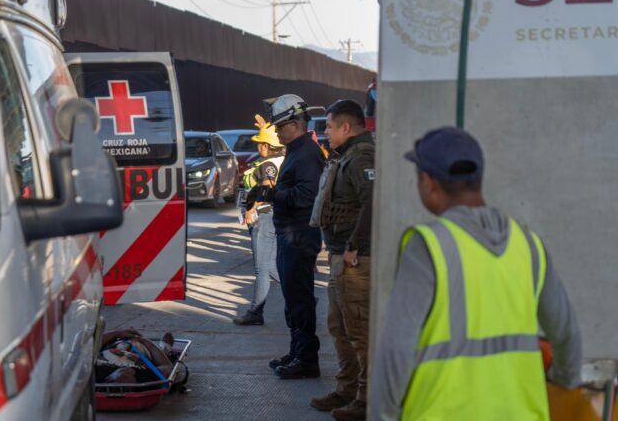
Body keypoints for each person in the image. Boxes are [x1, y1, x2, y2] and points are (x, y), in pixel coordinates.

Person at [370, 127, 582, 420]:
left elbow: (396, 350)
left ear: (429, 182)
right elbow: (566, 333)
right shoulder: (528, 244)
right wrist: (565, 378)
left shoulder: (429, 246)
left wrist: (383, 415)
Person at [248, 94, 324, 379]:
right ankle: (297, 352)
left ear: (295, 123)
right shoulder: (295, 150)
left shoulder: (307, 153)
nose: (276, 132)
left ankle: (307, 360)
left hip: (300, 236)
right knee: (293, 300)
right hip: (289, 234)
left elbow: (307, 196)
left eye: (280, 127)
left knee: (300, 300)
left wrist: (272, 194)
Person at [309, 100, 374, 421]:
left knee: (359, 330)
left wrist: (353, 246)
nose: (325, 133)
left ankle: (366, 399)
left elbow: (372, 201)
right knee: (339, 326)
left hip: (355, 260)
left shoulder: (361, 156)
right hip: (341, 257)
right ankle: (347, 389)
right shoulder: (347, 155)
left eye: (330, 127)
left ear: (346, 127)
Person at [234, 115, 286, 326]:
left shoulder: (268, 165)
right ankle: (303, 295)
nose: (258, 147)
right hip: (271, 216)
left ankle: (256, 312)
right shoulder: (282, 157)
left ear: (266, 146)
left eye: (259, 144)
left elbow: (266, 188)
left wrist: (252, 208)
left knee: (261, 268)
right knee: (271, 266)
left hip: (264, 216)